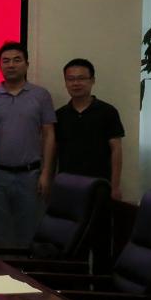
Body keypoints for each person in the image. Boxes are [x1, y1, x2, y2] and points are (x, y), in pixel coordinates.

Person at [0, 41, 56, 248]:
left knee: (30, 234)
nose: (11, 65)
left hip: (30, 175)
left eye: (17, 60)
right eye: (6, 61)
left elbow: (49, 134)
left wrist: (46, 173)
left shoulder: (41, 95)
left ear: (27, 64)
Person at [56, 58, 124, 200]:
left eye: (81, 78)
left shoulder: (108, 112)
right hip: (67, 184)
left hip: (99, 185)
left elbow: (116, 150)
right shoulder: (59, 115)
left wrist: (115, 186)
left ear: (92, 80)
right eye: (70, 79)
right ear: (65, 82)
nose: (76, 83)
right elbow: (53, 152)